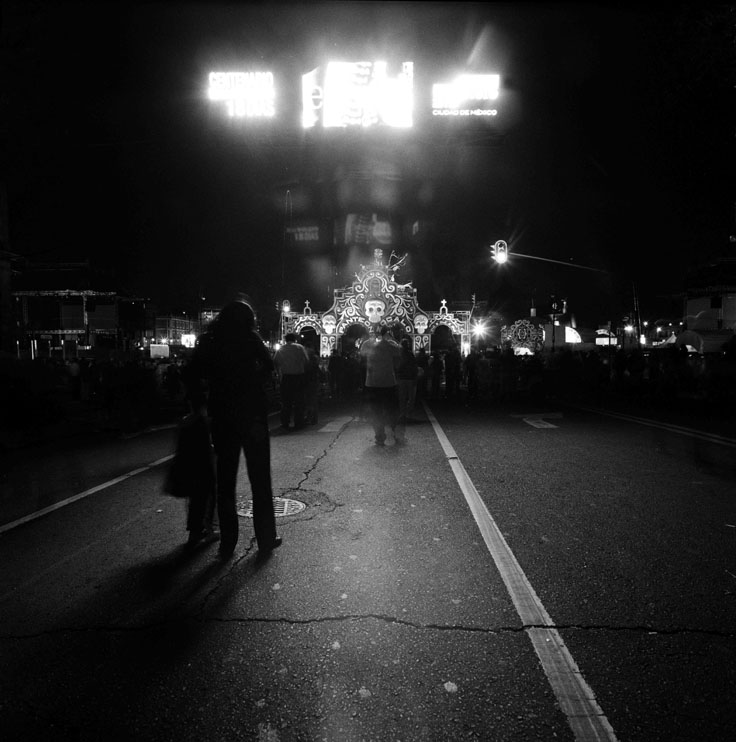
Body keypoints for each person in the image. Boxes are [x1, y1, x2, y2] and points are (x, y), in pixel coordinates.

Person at [184, 299, 281, 559]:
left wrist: (200, 406)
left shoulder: (210, 341)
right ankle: (265, 537)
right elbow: (269, 367)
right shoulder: (251, 339)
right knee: (260, 479)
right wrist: (253, 383)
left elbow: (191, 374)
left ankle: (228, 542)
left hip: (222, 415)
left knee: (225, 481)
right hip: (253, 416)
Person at [359, 325, 402, 445]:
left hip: (372, 383)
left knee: (375, 410)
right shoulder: (390, 345)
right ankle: (391, 429)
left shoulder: (366, 344)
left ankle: (379, 434)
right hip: (388, 383)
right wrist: (391, 338)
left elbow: (362, 356)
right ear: (386, 333)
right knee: (391, 409)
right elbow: (400, 350)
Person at [274, 333, 309, 430]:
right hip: (298, 377)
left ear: (285, 340)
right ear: (295, 339)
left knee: (286, 401)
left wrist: (279, 373)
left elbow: (275, 362)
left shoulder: (281, 349)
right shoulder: (300, 348)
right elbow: (306, 361)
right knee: (299, 401)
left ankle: (285, 422)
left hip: (286, 377)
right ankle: (299, 422)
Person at [396, 338, 418, 423]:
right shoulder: (409, 354)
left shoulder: (400, 354)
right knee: (410, 397)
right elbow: (414, 366)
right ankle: (406, 413)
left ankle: (403, 413)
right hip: (409, 378)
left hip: (402, 378)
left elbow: (397, 366)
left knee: (403, 397)